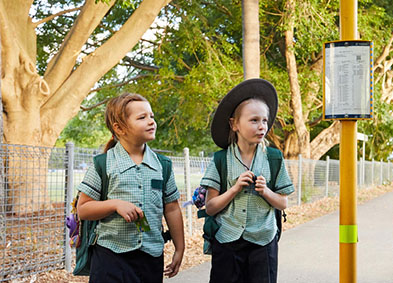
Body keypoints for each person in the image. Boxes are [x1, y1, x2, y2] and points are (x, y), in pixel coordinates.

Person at [76, 93, 184, 282]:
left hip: (150, 259)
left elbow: (172, 208)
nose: (151, 121)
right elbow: (83, 209)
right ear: (119, 128)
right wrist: (115, 204)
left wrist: (180, 248)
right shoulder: (103, 164)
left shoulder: (163, 166)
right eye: (142, 117)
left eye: (151, 116)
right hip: (110, 258)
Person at [201, 78, 295, 283]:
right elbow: (210, 207)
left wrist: (266, 192)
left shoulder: (273, 158)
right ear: (234, 124)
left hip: (263, 243)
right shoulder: (220, 160)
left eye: (264, 120)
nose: (261, 126)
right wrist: (234, 189)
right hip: (227, 242)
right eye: (254, 120)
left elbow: (283, 202)